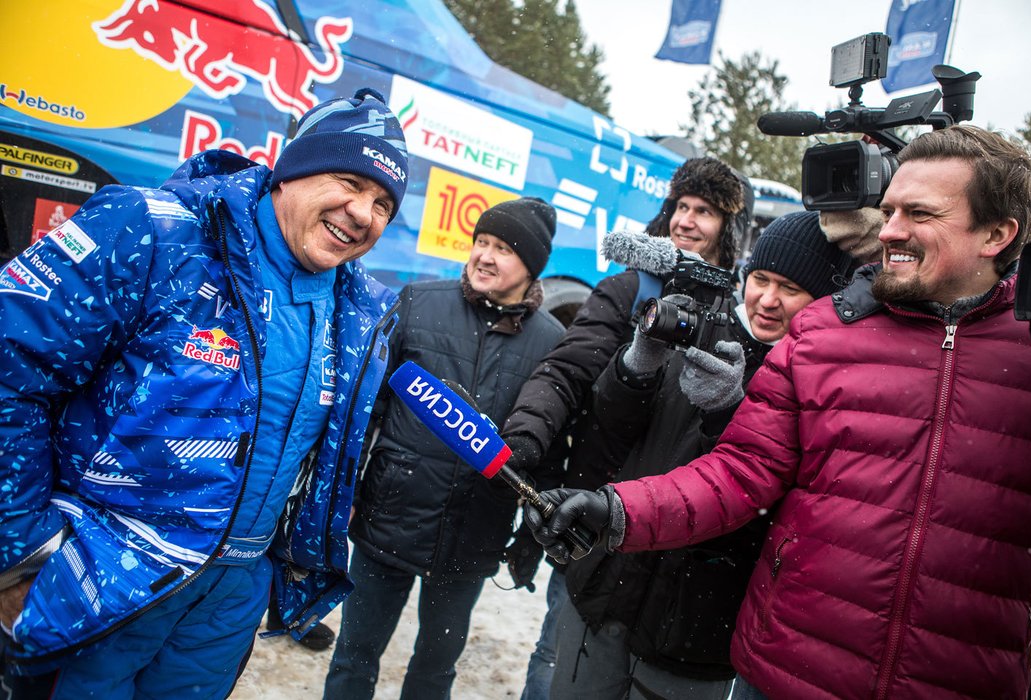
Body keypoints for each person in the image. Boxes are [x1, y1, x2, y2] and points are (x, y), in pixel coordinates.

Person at [527, 124, 1031, 699]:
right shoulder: (825, 333)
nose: (892, 232)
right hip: (786, 671)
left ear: (999, 233)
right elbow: (740, 472)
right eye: (889, 210)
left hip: (955, 680)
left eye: (919, 214)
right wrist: (616, 508)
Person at [0, 88, 408, 697]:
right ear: (291, 171)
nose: (362, 212)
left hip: (230, 600)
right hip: (101, 575)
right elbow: (11, 369)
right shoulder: (157, 232)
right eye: (349, 181)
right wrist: (20, 550)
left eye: (383, 204)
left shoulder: (359, 311)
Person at [551, 211, 858, 699]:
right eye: (760, 279)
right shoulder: (704, 330)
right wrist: (637, 365)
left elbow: (758, 506)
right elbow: (610, 430)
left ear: (822, 299)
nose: (768, 300)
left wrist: (726, 412)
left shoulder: (819, 385)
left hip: (694, 634)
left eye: (790, 288)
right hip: (606, 595)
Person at [502, 157, 748, 700]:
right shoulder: (632, 288)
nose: (686, 220)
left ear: (728, 228)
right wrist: (527, 433)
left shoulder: (741, 313)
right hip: (593, 510)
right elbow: (566, 371)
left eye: (703, 211)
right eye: (680, 206)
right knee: (557, 655)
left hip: (674, 533)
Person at [322, 197, 566, 700]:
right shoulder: (419, 301)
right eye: (482, 242)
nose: (485, 256)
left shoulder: (553, 342)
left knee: (435, 671)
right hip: (389, 518)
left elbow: (547, 445)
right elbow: (366, 411)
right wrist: (343, 490)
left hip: (471, 537)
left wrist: (528, 539)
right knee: (354, 655)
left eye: (503, 248)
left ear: (532, 266)